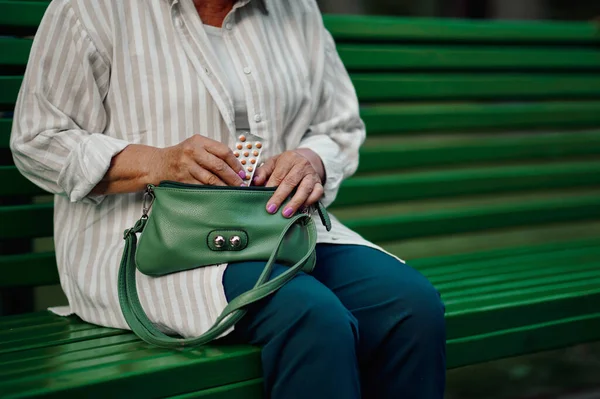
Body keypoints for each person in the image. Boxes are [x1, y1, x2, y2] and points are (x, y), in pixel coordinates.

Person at [10, 0, 445, 397]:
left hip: (276, 226)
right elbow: (37, 139)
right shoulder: (91, 8)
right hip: (148, 245)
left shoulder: (297, 10)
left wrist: (309, 161)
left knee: (410, 306)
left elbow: (339, 126)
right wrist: (157, 162)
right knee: (311, 317)